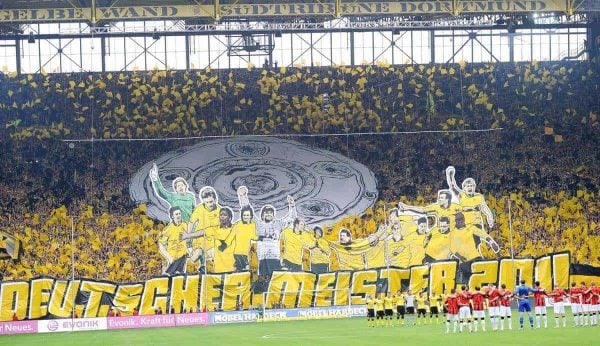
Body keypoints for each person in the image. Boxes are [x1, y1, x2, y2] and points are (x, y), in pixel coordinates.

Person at [238, 186, 296, 275]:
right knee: (263, 278)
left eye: (270, 212)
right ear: (262, 215)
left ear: (273, 215)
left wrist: (292, 206)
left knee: (275, 278)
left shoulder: (278, 224)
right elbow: (248, 209)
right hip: (262, 256)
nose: (268, 214)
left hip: (274, 256)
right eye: (266, 212)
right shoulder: (258, 223)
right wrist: (243, 196)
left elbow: (291, 218)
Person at [445, 166, 499, 257]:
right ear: (464, 188)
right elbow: (453, 186)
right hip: (464, 225)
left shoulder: (478, 197)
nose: (470, 188)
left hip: (476, 223)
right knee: (464, 245)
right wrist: (450, 175)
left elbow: (484, 208)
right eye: (468, 186)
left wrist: (490, 218)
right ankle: (463, 258)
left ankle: (476, 259)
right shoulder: (461, 195)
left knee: (475, 244)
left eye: (471, 186)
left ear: (474, 187)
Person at [188, 186, 222, 272]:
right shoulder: (199, 209)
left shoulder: (220, 210)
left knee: (213, 255)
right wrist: (188, 237)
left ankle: (207, 270)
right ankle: (188, 272)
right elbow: (191, 223)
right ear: (203, 201)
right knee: (196, 255)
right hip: (199, 240)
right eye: (207, 202)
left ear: (215, 199)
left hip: (212, 242)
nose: (209, 204)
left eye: (211, 201)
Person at [158, 207, 188, 275]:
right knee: (168, 277)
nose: (178, 215)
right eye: (176, 214)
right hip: (172, 259)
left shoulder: (185, 225)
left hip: (182, 257)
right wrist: (168, 257)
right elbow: (161, 243)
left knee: (179, 277)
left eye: (179, 213)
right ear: (172, 216)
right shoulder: (169, 228)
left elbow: (189, 238)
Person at [230, 204, 258, 271]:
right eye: (244, 215)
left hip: (250, 254)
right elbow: (230, 238)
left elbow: (256, 238)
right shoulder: (237, 225)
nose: (245, 217)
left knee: (250, 273)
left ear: (251, 216)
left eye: (247, 215)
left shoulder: (254, 225)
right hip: (239, 253)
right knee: (239, 272)